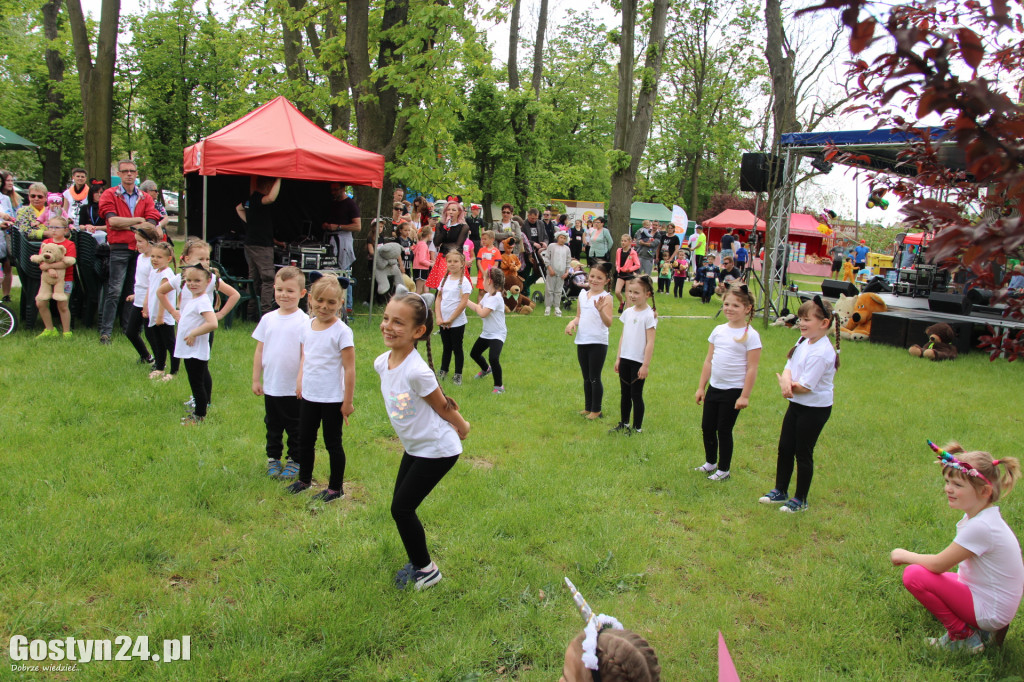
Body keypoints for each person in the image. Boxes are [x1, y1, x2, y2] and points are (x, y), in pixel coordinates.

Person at [375, 291, 471, 590]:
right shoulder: (382, 362)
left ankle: (427, 570)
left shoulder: (417, 371)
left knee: (401, 509)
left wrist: (463, 426)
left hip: (438, 449)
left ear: (418, 332)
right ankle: (419, 562)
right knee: (400, 506)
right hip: (416, 447)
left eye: (398, 323)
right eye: (386, 319)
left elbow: (442, 405)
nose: (389, 326)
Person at [891, 441, 1023, 653]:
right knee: (933, 579)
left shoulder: (981, 527)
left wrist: (903, 554)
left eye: (958, 485)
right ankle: (984, 632)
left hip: (991, 611)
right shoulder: (984, 518)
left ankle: (963, 636)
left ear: (984, 491)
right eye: (947, 482)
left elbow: (937, 565)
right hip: (993, 603)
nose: (948, 489)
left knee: (915, 575)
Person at [759, 295, 840, 513]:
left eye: (807, 319)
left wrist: (787, 386)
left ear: (824, 323)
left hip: (814, 409)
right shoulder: (803, 341)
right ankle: (780, 490)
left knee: (803, 452)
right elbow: (789, 364)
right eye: (801, 319)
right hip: (796, 404)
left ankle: (800, 499)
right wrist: (785, 380)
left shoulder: (823, 353)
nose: (801, 323)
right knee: (785, 447)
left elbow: (805, 387)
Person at [287, 276, 356, 503]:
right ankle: (304, 480)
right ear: (310, 300)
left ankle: (336, 488)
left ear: (340, 303)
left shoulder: (342, 332)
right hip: (309, 395)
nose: (324, 307)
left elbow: (349, 369)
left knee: (332, 443)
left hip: (332, 398)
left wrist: (347, 402)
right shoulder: (306, 326)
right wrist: (299, 380)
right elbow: (305, 355)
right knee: (304, 439)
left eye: (331, 302)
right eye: (319, 301)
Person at [694, 285, 761, 481]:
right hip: (715, 387)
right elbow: (709, 360)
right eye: (726, 304)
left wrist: (745, 395)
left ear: (747, 308)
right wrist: (701, 387)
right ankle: (710, 463)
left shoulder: (751, 335)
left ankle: (724, 470)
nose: (729, 308)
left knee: (724, 429)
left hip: (734, 391)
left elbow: (752, 368)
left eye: (735, 305)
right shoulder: (718, 330)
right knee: (707, 426)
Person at [98, 159, 163, 345]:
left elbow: (151, 223)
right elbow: (112, 222)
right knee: (114, 291)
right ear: (119, 173)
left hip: (141, 250)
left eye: (132, 171)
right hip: (119, 247)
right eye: (125, 171)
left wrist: (127, 222)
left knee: (135, 290)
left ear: (136, 174)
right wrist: (138, 220)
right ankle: (106, 332)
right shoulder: (110, 194)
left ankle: (131, 330)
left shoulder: (146, 197)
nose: (129, 174)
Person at [252, 267, 307, 479]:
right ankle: (273, 458)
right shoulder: (268, 319)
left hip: (293, 388)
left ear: (302, 294)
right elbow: (260, 349)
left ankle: (295, 459)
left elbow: (305, 355)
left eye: (290, 291)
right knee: (272, 425)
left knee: (295, 426)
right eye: (280, 289)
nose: (284, 295)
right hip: (272, 386)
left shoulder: (304, 322)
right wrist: (256, 378)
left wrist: (301, 380)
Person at [565, 261, 614, 420]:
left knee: (594, 377)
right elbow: (579, 316)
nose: (594, 280)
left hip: (598, 342)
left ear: (606, 280)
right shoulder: (582, 295)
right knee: (586, 377)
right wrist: (572, 323)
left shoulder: (606, 297)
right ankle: (588, 407)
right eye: (592, 276)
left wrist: (600, 310)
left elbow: (608, 323)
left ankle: (596, 410)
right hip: (582, 340)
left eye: (599, 278)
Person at [610, 276, 657, 436]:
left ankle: (637, 428)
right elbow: (623, 336)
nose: (632, 295)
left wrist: (645, 365)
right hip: (625, 359)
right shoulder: (628, 312)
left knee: (636, 395)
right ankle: (624, 423)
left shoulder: (649, 315)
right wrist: (618, 358)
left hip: (638, 362)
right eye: (630, 291)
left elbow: (650, 342)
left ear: (647, 294)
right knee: (625, 394)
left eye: (636, 292)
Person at [173, 265, 219, 425]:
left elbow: (213, 323)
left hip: (195, 350)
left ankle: (199, 415)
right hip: (190, 350)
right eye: (189, 280)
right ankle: (199, 410)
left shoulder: (203, 301)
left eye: (197, 281)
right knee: (195, 381)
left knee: (196, 383)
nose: (192, 284)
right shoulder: (195, 299)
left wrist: (194, 333)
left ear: (207, 282)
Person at [236, 176, 282, 319]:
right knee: (268, 279)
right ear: (267, 186)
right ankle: (266, 313)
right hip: (261, 245)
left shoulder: (250, 200)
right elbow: (271, 199)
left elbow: (238, 208)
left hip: (250, 244)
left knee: (254, 279)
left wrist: (249, 223)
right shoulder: (258, 199)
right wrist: (280, 179)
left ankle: (251, 313)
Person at [34, 217, 77, 338]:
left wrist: (50, 266)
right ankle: (50, 329)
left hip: (65, 279)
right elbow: (41, 261)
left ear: (65, 230)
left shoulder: (69, 244)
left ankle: (66, 331)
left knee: (62, 305)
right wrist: (50, 268)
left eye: (57, 227)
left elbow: (67, 262)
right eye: (50, 227)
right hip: (47, 278)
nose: (53, 230)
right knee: (40, 303)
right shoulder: (46, 243)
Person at [124, 226, 161, 364]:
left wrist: (146, 304)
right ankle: (146, 357)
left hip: (149, 302)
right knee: (130, 332)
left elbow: (153, 283)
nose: (137, 244)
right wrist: (135, 295)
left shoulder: (154, 261)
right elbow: (142, 281)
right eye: (136, 241)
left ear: (151, 242)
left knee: (151, 335)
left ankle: (159, 362)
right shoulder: (140, 257)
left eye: (140, 241)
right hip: (138, 301)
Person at [434, 250, 472, 385]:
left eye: (456, 261)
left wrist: (451, 319)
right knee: (446, 347)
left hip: (456, 322)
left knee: (457, 347)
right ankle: (444, 370)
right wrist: (439, 317)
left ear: (462, 264)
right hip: (443, 321)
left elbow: (463, 303)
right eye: (449, 261)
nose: (452, 264)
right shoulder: (444, 280)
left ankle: (458, 374)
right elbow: (438, 298)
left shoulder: (465, 282)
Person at [467, 267, 507, 393]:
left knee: (493, 358)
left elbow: (483, 313)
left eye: (483, 278)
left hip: (498, 334)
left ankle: (499, 387)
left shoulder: (496, 298)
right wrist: (466, 301)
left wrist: (467, 302)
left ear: (489, 281)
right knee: (474, 353)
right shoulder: (488, 296)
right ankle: (486, 369)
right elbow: (478, 307)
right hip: (487, 333)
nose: (482, 281)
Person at [145, 242, 179, 381]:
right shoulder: (154, 271)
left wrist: (160, 316)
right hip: (154, 315)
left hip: (163, 316)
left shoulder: (166, 274)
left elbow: (162, 296)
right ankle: (160, 368)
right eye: (153, 256)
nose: (154, 259)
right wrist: (145, 306)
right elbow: (150, 290)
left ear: (168, 259)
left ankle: (174, 371)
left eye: (159, 257)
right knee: (158, 343)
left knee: (170, 344)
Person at [426, 201, 469, 290]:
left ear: (459, 212)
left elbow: (458, 245)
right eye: (448, 210)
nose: (450, 212)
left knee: (455, 286)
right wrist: (445, 229)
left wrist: (445, 245)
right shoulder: (440, 225)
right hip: (442, 257)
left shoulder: (463, 227)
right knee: (442, 285)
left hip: (456, 258)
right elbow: (437, 243)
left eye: (454, 210)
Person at [0, 170, 20, 302]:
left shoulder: (5, 198)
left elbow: (8, 213)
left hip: (4, 236)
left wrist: (8, 221)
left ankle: (6, 296)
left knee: (6, 264)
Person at [545, 231, 572, 317]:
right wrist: (550, 269)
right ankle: (548, 306)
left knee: (558, 290)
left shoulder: (567, 249)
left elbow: (568, 261)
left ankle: (557, 307)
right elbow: (547, 259)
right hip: (552, 272)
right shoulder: (552, 246)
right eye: (561, 237)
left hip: (561, 273)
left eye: (564, 238)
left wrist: (567, 272)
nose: (562, 239)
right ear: (557, 237)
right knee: (549, 289)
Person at [613, 233, 641, 313]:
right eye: (622, 241)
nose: (623, 243)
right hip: (621, 273)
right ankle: (622, 302)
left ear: (629, 242)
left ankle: (628, 311)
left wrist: (630, 269)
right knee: (617, 291)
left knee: (627, 293)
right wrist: (617, 267)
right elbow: (617, 261)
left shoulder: (633, 252)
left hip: (629, 274)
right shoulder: (619, 250)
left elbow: (637, 265)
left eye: (625, 241)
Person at [77, 179, 108, 244]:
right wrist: (86, 227)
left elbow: (110, 226)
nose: (99, 195)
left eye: (101, 192)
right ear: (91, 194)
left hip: (104, 238)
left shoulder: (107, 208)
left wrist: (96, 228)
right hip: (88, 238)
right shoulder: (84, 208)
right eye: (96, 192)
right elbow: (81, 225)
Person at [476, 230, 501, 294]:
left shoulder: (496, 251)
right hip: (482, 274)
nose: (483, 241)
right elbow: (479, 262)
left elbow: (496, 264)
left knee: (489, 292)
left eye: (485, 239)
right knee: (481, 292)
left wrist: (489, 273)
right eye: (482, 239)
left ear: (492, 239)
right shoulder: (481, 250)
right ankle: (479, 304)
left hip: (491, 275)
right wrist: (483, 272)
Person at [412, 225, 433, 294]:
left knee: (425, 288)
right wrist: (430, 264)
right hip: (421, 269)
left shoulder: (420, 244)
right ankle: (414, 303)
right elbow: (421, 260)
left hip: (421, 268)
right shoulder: (423, 245)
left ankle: (425, 302)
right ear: (429, 235)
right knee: (419, 290)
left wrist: (429, 261)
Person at [466, 203, 486, 270]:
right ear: (472, 210)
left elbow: (482, 230)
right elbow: (465, 227)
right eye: (476, 210)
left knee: (478, 256)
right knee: (469, 256)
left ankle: (479, 270)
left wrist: (482, 240)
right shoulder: (468, 219)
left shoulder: (480, 219)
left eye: (478, 210)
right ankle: (468, 271)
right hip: (470, 240)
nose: (478, 211)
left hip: (477, 240)